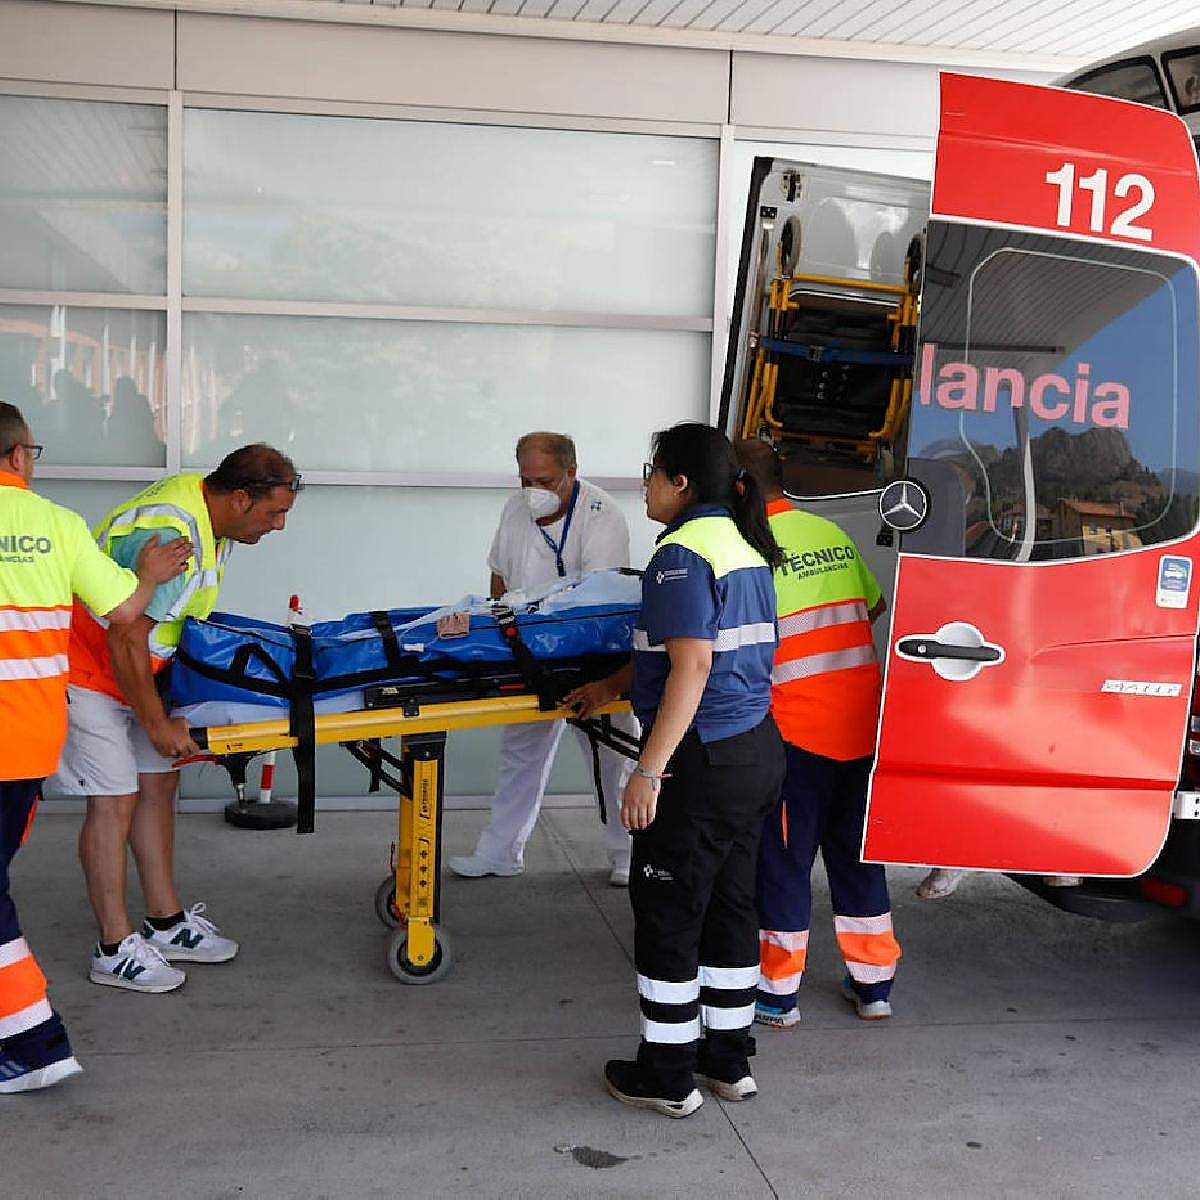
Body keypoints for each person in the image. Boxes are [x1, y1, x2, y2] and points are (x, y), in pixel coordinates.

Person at [568, 422, 785, 1119]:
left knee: (668, 912)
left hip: (701, 761)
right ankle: (727, 1059)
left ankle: (665, 1073)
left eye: (652, 471)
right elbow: (684, 650)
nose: (645, 485)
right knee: (729, 907)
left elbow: (692, 668)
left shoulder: (680, 555)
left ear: (681, 482)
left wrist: (647, 773)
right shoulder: (742, 546)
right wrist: (610, 687)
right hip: (754, 749)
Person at [51, 444, 300, 994]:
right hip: (90, 671)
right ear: (239, 498)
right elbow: (125, 636)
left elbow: (162, 629)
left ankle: (164, 922)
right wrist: (158, 723)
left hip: (140, 670)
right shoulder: (173, 534)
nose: (278, 526)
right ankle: (113, 948)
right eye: (273, 513)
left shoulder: (207, 509)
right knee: (114, 801)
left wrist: (168, 709)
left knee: (159, 786)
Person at [0, 402, 191, 1093]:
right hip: (25, 740)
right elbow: (124, 615)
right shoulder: (56, 524)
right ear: (20, 457)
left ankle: (32, 1047)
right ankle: (31, 1044)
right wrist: (145, 574)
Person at [733, 438, 901, 1028]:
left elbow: (736, 653)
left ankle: (777, 993)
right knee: (858, 859)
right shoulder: (830, 535)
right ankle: (874, 985)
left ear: (739, 487)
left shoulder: (749, 549)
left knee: (783, 863)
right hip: (861, 724)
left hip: (796, 732)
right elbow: (870, 609)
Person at [447, 431, 635, 887]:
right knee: (520, 753)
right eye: (525, 478)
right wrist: (503, 638)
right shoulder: (517, 508)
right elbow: (499, 574)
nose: (532, 489)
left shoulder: (601, 515)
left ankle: (627, 852)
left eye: (545, 479)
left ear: (572, 473)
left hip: (588, 656)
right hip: (528, 653)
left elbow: (599, 600)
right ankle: (500, 852)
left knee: (612, 759)